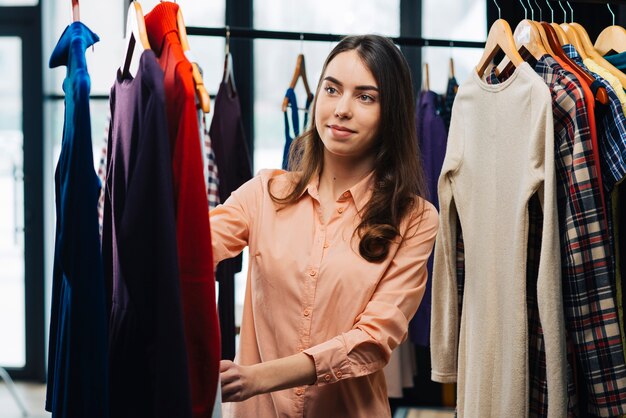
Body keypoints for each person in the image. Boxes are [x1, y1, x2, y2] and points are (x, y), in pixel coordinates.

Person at [210, 34, 439, 418]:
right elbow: (186, 250)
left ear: (392, 112)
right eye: (332, 89)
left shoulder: (414, 219)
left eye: (365, 96)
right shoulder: (264, 193)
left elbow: (372, 340)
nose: (342, 109)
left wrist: (257, 378)